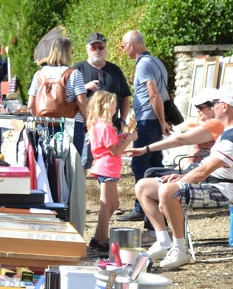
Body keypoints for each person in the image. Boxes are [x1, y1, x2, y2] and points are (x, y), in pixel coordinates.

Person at [134, 86, 233, 269]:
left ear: (224, 107)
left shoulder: (231, 137)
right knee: (143, 186)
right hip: (211, 182)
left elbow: (204, 172)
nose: (213, 107)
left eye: (215, 103)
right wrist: (182, 176)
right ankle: (164, 241)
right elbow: (204, 168)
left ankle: (180, 248)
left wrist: (179, 181)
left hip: (223, 189)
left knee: (168, 189)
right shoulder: (226, 133)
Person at [118, 30, 171, 222]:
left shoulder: (143, 65)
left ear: (131, 45)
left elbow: (155, 94)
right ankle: (160, 203)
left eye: (124, 46)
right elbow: (165, 94)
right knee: (155, 162)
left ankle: (142, 206)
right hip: (154, 120)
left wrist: (162, 120)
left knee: (140, 162)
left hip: (148, 121)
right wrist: (163, 119)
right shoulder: (157, 62)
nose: (124, 51)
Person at [86, 91, 137, 252]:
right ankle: (103, 240)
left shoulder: (98, 125)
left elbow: (108, 145)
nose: (116, 108)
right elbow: (115, 151)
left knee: (113, 205)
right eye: (114, 105)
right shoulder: (106, 127)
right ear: (108, 106)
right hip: (107, 166)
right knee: (107, 205)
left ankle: (96, 238)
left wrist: (120, 137)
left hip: (107, 167)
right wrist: (129, 140)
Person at [73, 32, 132, 169]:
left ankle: (106, 189)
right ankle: (82, 190)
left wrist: (122, 121)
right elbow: (68, 96)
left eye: (101, 47)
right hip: (85, 128)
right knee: (83, 164)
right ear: (87, 49)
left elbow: (124, 98)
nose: (98, 50)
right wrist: (84, 87)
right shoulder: (77, 70)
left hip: (111, 127)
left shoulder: (115, 71)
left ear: (106, 49)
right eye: (94, 47)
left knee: (109, 162)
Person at [27, 37, 88, 154]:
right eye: (71, 51)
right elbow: (82, 102)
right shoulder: (74, 74)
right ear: (67, 53)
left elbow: (30, 105)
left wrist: (41, 119)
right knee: (72, 166)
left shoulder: (39, 74)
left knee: (47, 164)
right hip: (71, 125)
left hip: (44, 125)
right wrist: (88, 121)